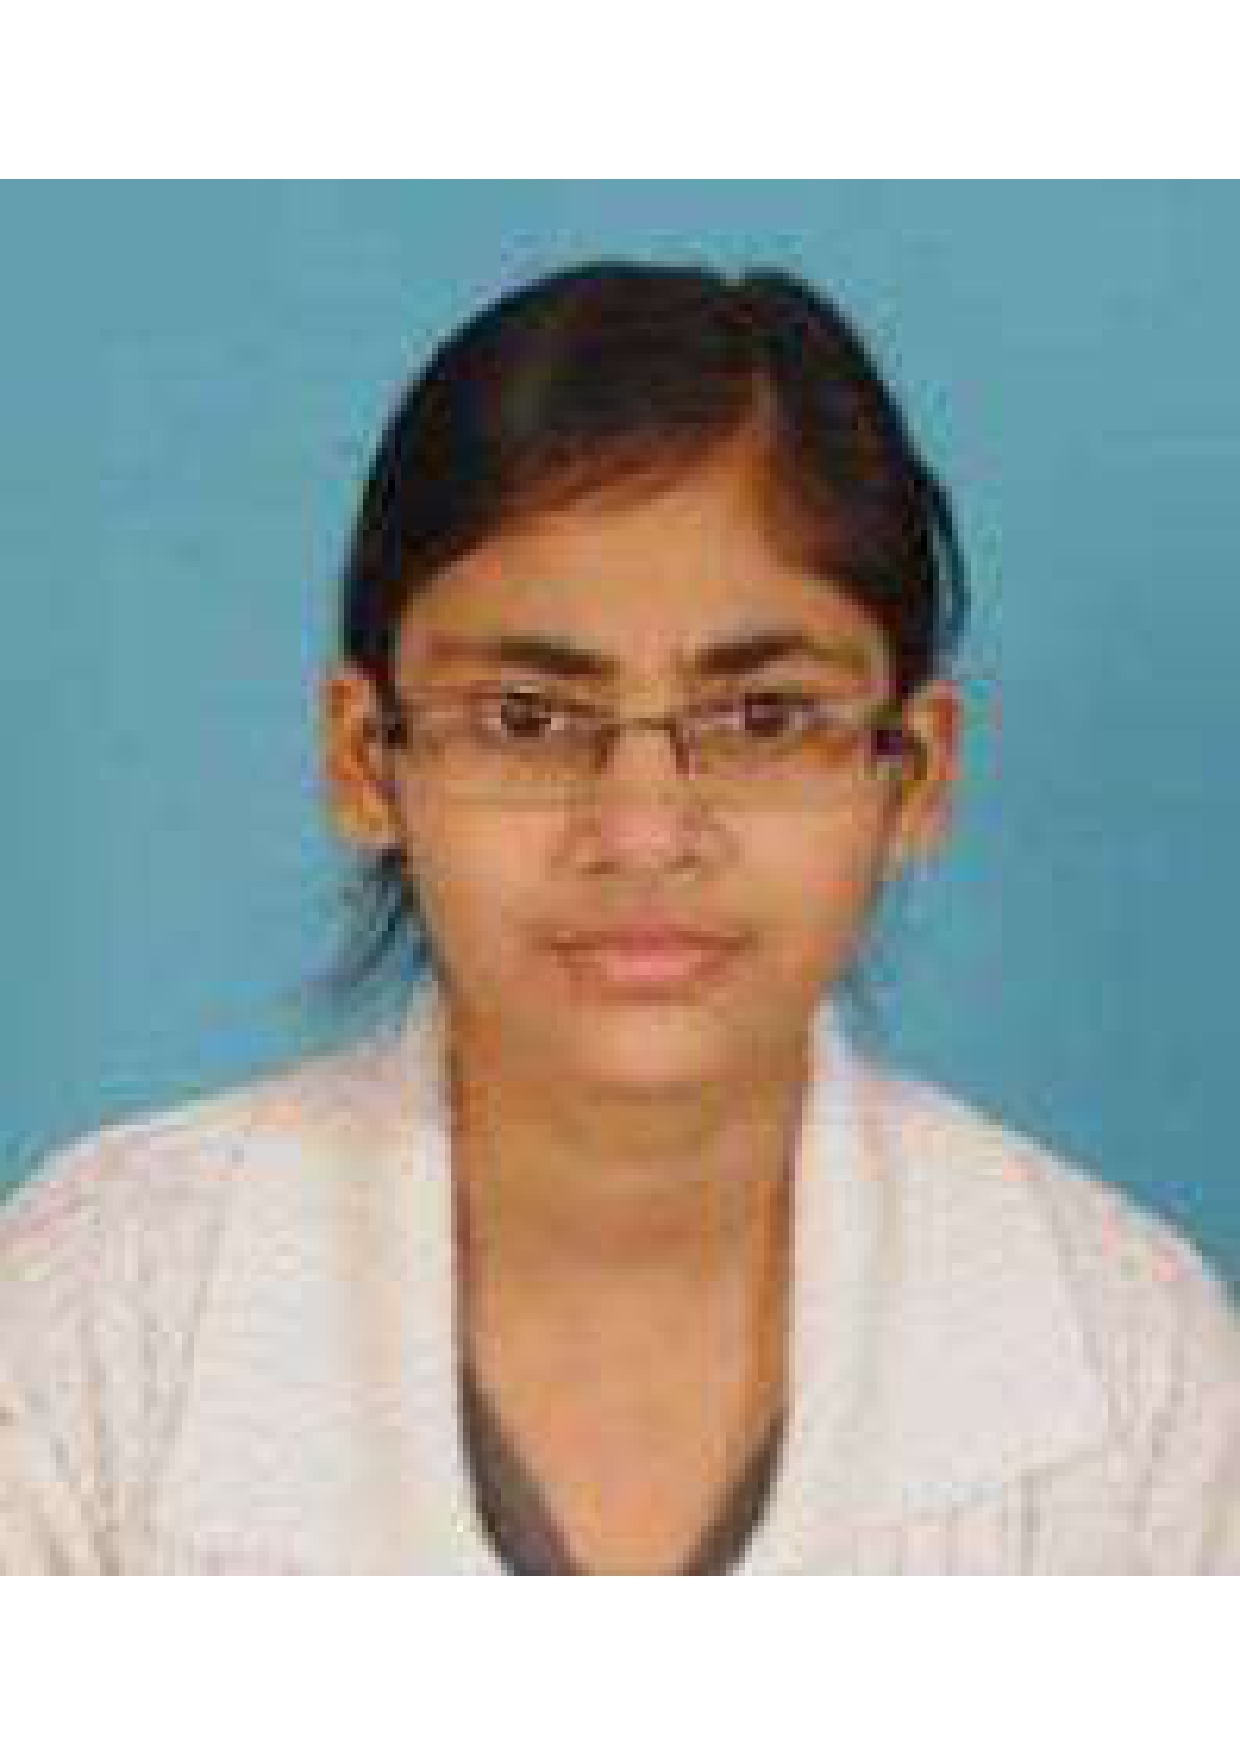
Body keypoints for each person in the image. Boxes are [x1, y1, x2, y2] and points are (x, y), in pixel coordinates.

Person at [3, 259, 1237, 1573]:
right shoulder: (92, 1327)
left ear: (915, 773)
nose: (643, 833)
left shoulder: (1135, 1370)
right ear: (366, 760)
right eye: (527, 719)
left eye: (764, 718)